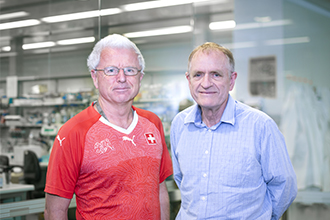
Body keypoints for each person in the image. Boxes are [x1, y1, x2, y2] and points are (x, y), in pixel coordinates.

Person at [44, 34, 173, 220]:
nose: (122, 78)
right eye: (111, 70)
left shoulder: (152, 123)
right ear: (95, 77)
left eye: (130, 70)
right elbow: (54, 211)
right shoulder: (73, 132)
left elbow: (160, 190)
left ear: (140, 77)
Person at [170, 42, 297, 220]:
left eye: (216, 74)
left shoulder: (260, 126)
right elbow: (181, 180)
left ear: (231, 80)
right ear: (188, 80)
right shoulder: (180, 124)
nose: (206, 83)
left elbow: (284, 187)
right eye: (198, 74)